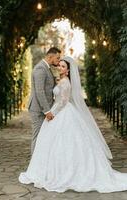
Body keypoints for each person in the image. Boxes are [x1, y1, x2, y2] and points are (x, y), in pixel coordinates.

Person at [19, 56, 127, 193]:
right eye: (60, 65)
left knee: (65, 142)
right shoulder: (61, 80)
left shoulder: (65, 83)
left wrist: (52, 114)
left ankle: (66, 172)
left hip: (61, 112)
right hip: (58, 110)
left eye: (63, 67)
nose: (60, 68)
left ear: (68, 70)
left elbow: (63, 102)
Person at [28, 47, 61, 154]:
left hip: (45, 108)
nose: (58, 60)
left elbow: (48, 87)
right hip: (38, 109)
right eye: (57, 58)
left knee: (44, 136)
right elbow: (40, 91)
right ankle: (34, 164)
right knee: (37, 136)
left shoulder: (48, 68)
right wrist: (47, 111)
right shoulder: (40, 69)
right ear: (50, 56)